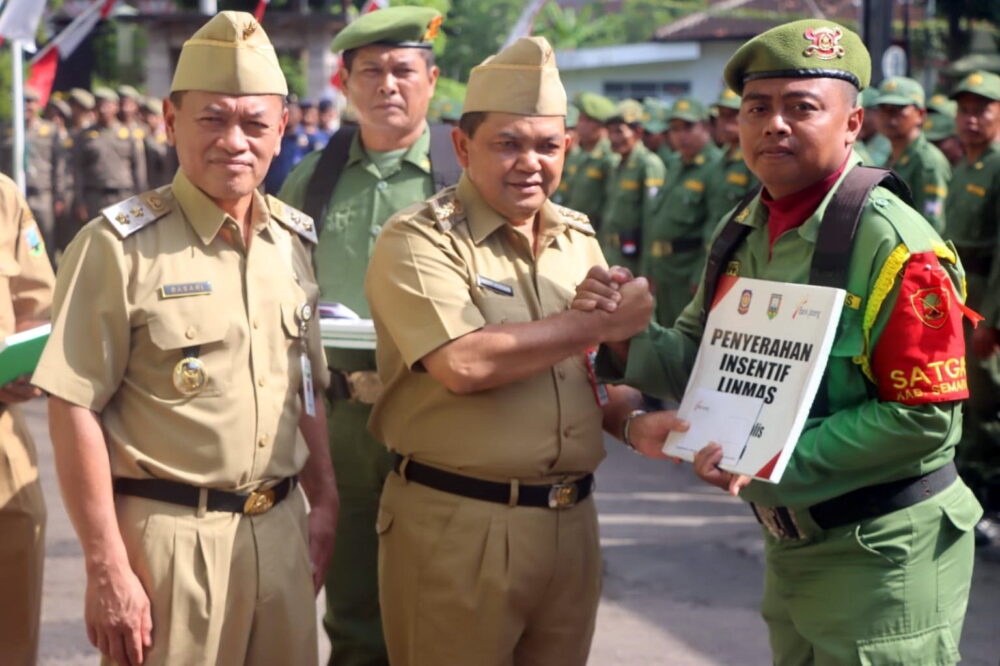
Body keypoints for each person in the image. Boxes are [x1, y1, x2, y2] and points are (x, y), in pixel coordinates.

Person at [578, 19, 982, 664]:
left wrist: (768, 456)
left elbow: (924, 418)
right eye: (757, 108)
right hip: (791, 540)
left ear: (852, 123)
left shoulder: (896, 245)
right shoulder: (745, 227)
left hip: (882, 551)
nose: (775, 125)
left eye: (802, 108)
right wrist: (625, 335)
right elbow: (700, 359)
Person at [32, 12, 339, 666]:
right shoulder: (117, 247)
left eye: (254, 123)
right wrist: (105, 565)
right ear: (171, 122)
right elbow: (73, 405)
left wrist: (327, 500)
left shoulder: (292, 241)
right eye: (212, 119)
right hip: (167, 545)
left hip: (280, 528)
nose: (234, 142)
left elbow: (305, 384)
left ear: (282, 127)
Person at [364, 36, 653, 666]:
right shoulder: (419, 238)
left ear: (568, 147)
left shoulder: (576, 237)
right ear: (463, 146)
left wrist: (638, 422)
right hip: (460, 524)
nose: (530, 163)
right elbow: (464, 363)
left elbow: (587, 376)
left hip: (572, 523)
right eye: (508, 144)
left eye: (548, 146)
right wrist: (593, 325)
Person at [278, 7, 447, 665]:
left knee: (446, 610)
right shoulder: (312, 180)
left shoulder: (463, 176)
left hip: (439, 415)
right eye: (369, 71)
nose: (387, 84)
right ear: (344, 83)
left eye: (403, 69)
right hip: (340, 425)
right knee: (351, 613)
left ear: (432, 80)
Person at [0, 173, 55, 666]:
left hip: (6, 458)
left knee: (12, 637)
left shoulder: (3, 196)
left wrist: (25, 362)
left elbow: (37, 305)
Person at [943, 70, 1000, 551]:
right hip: (961, 293)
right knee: (965, 398)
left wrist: (992, 320)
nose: (971, 118)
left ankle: (991, 504)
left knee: (985, 405)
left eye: (982, 109)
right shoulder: (965, 166)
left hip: (985, 297)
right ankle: (975, 500)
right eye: (964, 110)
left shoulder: (997, 166)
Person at [644, 97, 720, 327]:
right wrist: (650, 268)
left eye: (688, 127)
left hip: (688, 271)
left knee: (687, 334)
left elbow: (715, 228)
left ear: (705, 127)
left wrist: (701, 275)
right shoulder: (676, 163)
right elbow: (657, 219)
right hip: (664, 268)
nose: (681, 136)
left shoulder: (715, 166)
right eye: (675, 129)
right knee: (665, 330)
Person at [874, 76, 951, 231]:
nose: (889, 116)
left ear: (920, 114)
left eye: (897, 109)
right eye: (883, 108)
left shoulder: (927, 162)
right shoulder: (891, 156)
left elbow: (932, 225)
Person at [600, 98, 665, 275]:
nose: (613, 138)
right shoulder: (616, 165)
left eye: (619, 132)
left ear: (638, 132)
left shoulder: (648, 164)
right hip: (611, 254)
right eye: (610, 132)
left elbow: (651, 222)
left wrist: (647, 270)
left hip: (633, 260)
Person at [2, 86, 66, 261]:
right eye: (21, 101)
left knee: (42, 242)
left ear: (38, 105)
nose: (25, 106)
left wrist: (59, 196)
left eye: (30, 102)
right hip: (14, 196)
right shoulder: (5, 130)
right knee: (13, 241)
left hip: (42, 196)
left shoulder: (50, 130)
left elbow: (59, 166)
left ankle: (44, 274)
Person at [72, 86, 147, 222]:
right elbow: (78, 170)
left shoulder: (129, 134)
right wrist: (80, 201)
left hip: (124, 196)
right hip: (95, 197)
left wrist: (141, 197)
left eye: (107, 105)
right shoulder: (84, 136)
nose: (103, 110)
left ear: (116, 107)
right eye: (99, 105)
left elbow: (139, 169)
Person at [553, 91, 618, 231]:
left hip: (595, 232)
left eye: (584, 120)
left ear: (599, 125)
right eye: (580, 120)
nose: (579, 125)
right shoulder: (580, 155)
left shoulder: (609, 157)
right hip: (571, 228)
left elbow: (611, 205)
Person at [706, 88, 757, 241]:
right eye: (721, 115)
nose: (724, 122)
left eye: (732, 114)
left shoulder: (754, 159)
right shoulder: (721, 159)